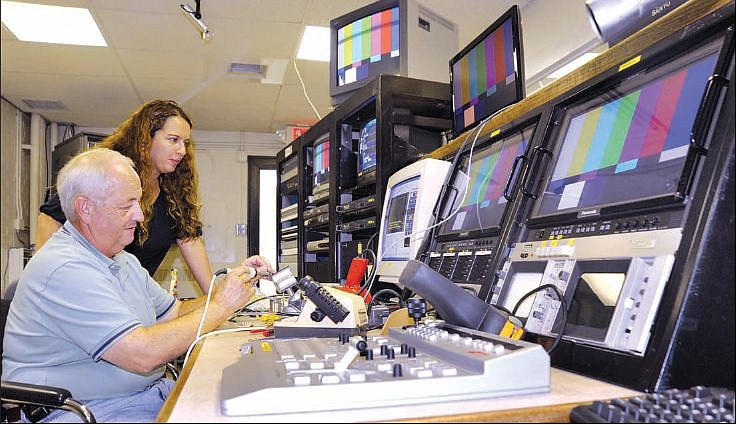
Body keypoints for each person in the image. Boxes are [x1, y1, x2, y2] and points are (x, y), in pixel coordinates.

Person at [3, 148, 270, 423]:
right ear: (86, 208)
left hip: (142, 396)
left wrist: (227, 287)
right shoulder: (65, 267)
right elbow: (142, 355)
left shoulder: (123, 260)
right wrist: (222, 305)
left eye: (138, 202)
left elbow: (175, 313)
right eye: (126, 205)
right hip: (81, 411)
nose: (140, 216)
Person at [37, 99, 225, 293]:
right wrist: (49, 282)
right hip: (90, 293)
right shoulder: (108, 171)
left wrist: (217, 296)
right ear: (146, 137)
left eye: (185, 143)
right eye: (173, 140)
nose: (182, 151)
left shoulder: (174, 192)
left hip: (134, 300)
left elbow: (190, 240)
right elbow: (50, 217)